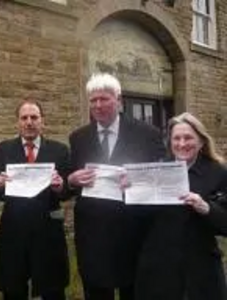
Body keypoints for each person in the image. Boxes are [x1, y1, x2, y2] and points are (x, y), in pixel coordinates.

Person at [68, 73, 165, 300]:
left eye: (104, 99)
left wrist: (138, 180)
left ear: (118, 100)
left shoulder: (147, 134)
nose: (98, 105)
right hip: (93, 234)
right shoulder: (78, 137)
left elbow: (161, 175)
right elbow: (69, 180)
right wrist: (72, 179)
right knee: (97, 291)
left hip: (133, 230)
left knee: (134, 291)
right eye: (93, 100)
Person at [135, 112, 227, 300]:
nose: (182, 144)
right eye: (176, 138)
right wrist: (130, 190)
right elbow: (139, 217)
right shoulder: (157, 169)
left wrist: (206, 208)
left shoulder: (218, 172)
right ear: (170, 142)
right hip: (160, 264)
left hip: (201, 266)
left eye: (188, 138)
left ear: (201, 141)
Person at [0, 98, 70, 300]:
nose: (29, 122)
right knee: (13, 288)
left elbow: (67, 191)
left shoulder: (59, 150)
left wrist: (60, 186)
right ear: (18, 122)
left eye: (34, 117)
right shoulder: (3, 149)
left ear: (42, 121)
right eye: (24, 118)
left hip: (48, 229)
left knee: (52, 288)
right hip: (13, 229)